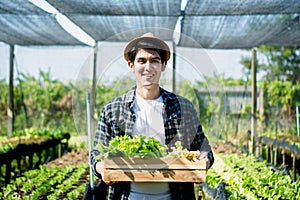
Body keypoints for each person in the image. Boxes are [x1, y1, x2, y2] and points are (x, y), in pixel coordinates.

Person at [91, 32, 214, 200]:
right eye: (141, 61)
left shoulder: (183, 108)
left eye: (154, 60)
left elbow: (203, 147)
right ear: (131, 65)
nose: (148, 67)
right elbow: (96, 154)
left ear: (163, 65)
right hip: (126, 197)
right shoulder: (112, 110)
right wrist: (100, 167)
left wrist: (204, 161)